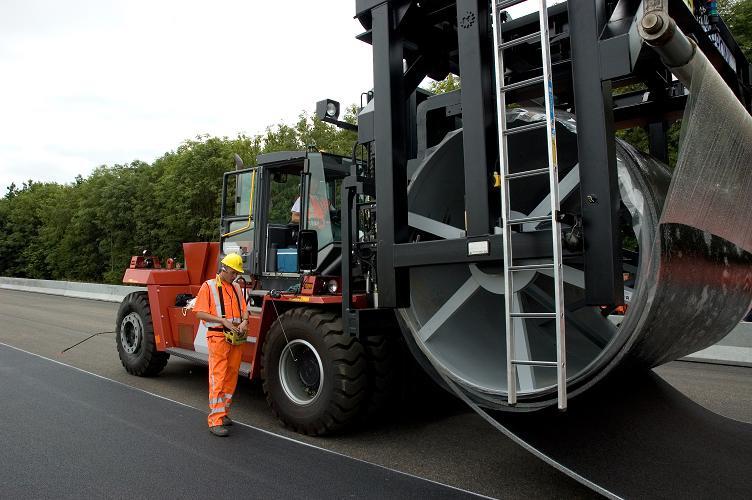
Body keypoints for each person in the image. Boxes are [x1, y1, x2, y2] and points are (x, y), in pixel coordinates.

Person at [192, 253, 248, 437]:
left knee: (231, 376)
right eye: (233, 273)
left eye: (237, 274)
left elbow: (244, 313)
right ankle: (215, 420)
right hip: (218, 338)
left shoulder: (237, 288)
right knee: (218, 377)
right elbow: (199, 313)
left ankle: (223, 413)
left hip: (235, 339)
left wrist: (244, 322)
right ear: (224, 269)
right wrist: (221, 321)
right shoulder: (208, 286)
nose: (235, 276)